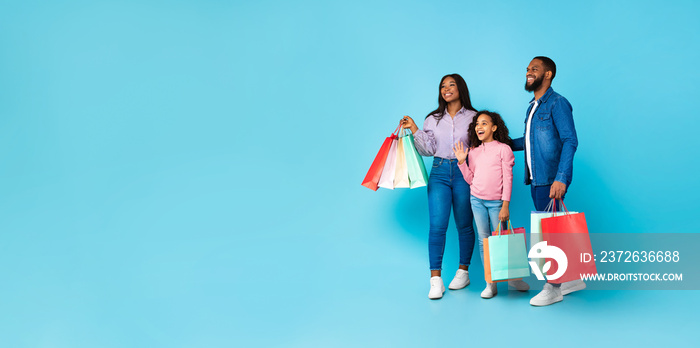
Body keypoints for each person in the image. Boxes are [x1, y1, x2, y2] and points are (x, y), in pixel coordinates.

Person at [511, 56, 585, 306]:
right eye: (527, 69)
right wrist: (503, 142)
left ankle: (553, 287)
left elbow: (570, 140)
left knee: (549, 235)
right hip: (535, 179)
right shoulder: (532, 106)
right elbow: (529, 141)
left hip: (550, 179)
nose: (528, 72)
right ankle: (570, 278)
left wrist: (561, 178)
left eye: (534, 69)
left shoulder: (558, 103)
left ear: (549, 74)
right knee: (552, 230)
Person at [401, 74, 476, 300]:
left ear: (461, 88)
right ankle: (436, 280)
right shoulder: (432, 119)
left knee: (464, 225)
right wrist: (415, 128)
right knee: (437, 226)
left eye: (451, 85)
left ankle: (463, 272)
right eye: (443, 86)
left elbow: (481, 145)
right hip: (440, 171)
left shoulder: (474, 117)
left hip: (464, 172)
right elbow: (428, 150)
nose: (446, 89)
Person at [453, 111, 530, 299]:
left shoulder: (504, 149)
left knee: (501, 240)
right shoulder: (473, 151)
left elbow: (508, 179)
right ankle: (490, 282)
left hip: (497, 203)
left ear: (494, 128)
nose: (480, 127)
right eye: (477, 124)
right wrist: (462, 162)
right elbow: (471, 179)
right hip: (476, 200)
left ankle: (513, 277)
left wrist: (505, 205)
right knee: (484, 240)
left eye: (485, 123)